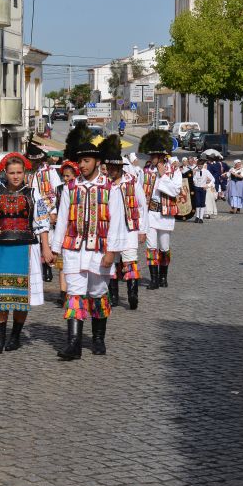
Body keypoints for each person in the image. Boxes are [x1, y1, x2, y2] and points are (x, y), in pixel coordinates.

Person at [51, 131, 126, 359]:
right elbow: (62, 218)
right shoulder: (70, 188)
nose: (82, 165)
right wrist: (55, 248)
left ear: (97, 162)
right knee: (74, 293)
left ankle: (98, 338)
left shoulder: (110, 189)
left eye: (86, 161)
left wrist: (112, 252)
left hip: (99, 250)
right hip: (73, 248)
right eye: (80, 161)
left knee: (97, 293)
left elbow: (117, 221)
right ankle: (73, 343)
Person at [0, 153, 52, 353]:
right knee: (2, 296)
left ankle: (15, 336)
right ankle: (0, 338)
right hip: (2, 248)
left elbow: (42, 224)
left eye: (19, 172)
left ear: (24, 173)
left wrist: (46, 248)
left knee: (20, 296)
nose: (15, 176)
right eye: (11, 173)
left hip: (26, 248)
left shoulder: (33, 194)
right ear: (5, 173)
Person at [100, 135, 147, 311]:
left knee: (130, 261)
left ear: (120, 168)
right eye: (108, 167)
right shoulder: (105, 185)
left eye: (114, 168)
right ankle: (112, 296)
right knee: (112, 262)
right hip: (110, 231)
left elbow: (142, 206)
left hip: (130, 230)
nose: (110, 171)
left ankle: (132, 295)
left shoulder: (132, 183)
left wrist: (143, 229)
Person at [139, 130, 182, 290]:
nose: (150, 159)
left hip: (165, 214)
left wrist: (163, 176)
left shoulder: (173, 170)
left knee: (164, 247)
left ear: (161, 156)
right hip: (150, 213)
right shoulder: (147, 170)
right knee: (151, 247)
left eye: (153, 156)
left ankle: (163, 277)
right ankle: (154, 279)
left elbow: (175, 191)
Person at [25, 141, 60, 282]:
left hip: (47, 207)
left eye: (36, 160)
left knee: (47, 239)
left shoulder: (49, 171)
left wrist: (54, 211)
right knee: (34, 240)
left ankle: (47, 268)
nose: (34, 163)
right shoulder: (26, 172)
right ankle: (36, 269)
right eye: (31, 160)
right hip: (30, 209)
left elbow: (57, 192)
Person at [52, 161, 79, 306]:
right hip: (62, 229)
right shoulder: (59, 189)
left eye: (69, 176)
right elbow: (53, 205)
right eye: (64, 176)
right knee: (62, 263)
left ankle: (74, 291)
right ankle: (63, 293)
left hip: (76, 230)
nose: (66, 179)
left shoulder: (79, 188)